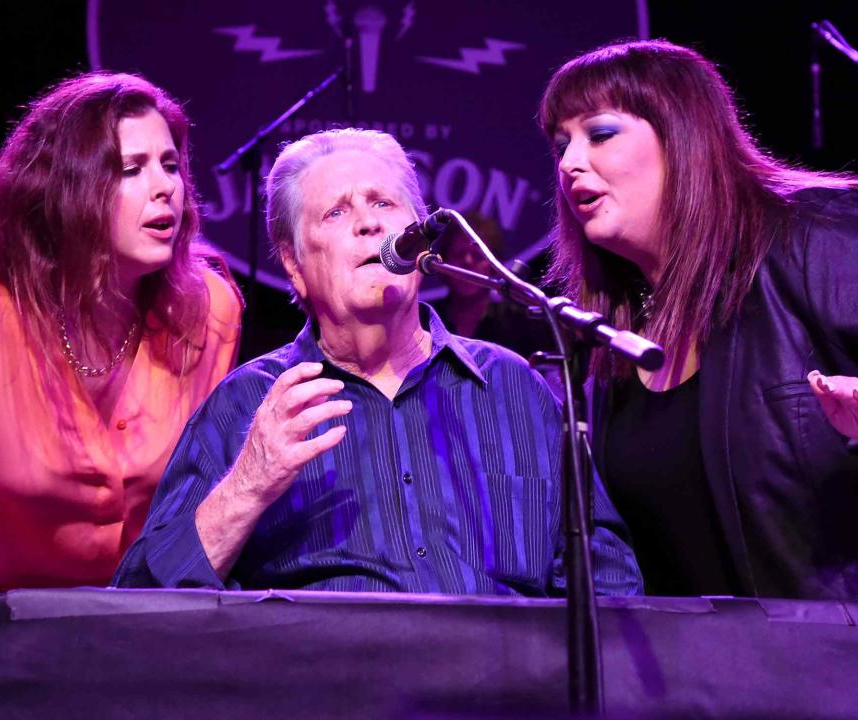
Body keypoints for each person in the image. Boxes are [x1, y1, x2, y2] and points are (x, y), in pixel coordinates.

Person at [113, 128, 642, 596]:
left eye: (385, 204)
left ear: (419, 235)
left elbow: (610, 583)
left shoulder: (513, 388)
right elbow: (140, 604)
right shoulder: (246, 407)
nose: (368, 223)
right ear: (295, 264)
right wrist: (248, 484)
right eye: (337, 212)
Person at [539, 39, 858, 599]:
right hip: (709, 681)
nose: (569, 163)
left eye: (600, 133)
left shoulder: (819, 236)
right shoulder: (609, 336)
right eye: (561, 144)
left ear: (681, 136)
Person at [0, 73, 243, 597]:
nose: (166, 188)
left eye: (171, 164)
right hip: (7, 627)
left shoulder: (209, 310)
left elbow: (202, 503)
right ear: (68, 192)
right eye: (132, 169)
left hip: (150, 621)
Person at [430, 211, 553, 362]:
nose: (468, 262)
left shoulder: (520, 322)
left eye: (478, 256)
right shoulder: (427, 318)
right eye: (458, 254)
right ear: (443, 261)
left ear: (495, 266)